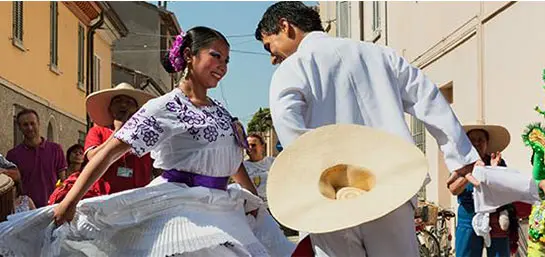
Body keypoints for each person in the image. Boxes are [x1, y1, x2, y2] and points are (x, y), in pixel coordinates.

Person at [0, 26, 294, 257]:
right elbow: (108, 153)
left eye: (227, 60)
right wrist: (69, 201)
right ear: (190, 56)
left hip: (224, 208)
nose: (223, 65)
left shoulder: (221, 113)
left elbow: (233, 164)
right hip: (186, 209)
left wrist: (253, 201)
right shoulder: (163, 107)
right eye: (215, 55)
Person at [255, 2, 480, 256]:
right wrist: (460, 157)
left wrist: (311, 180)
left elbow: (290, 129)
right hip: (391, 187)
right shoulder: (380, 54)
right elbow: (426, 97)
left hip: (330, 199)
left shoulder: (292, 68)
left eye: (269, 46)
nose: (273, 57)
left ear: (285, 26)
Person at [456, 124, 521, 257]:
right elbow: (453, 189)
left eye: (481, 140)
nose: (476, 143)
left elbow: (506, 190)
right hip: (468, 217)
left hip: (495, 218)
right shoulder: (459, 163)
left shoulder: (498, 162)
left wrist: (493, 170)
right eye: (472, 140)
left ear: (487, 143)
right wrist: (470, 172)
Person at [84, 83, 155, 193]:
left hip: (138, 200)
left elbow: (159, 167)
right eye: (118, 101)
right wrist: (118, 131)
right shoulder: (97, 131)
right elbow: (92, 157)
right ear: (110, 108)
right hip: (103, 199)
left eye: (128, 102)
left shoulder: (147, 135)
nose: (123, 105)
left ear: (137, 110)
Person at [6, 109, 67, 208]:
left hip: (53, 208)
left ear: (38, 124)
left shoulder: (56, 149)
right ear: (19, 127)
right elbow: (12, 187)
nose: (30, 128)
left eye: (32, 123)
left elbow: (62, 180)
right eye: (25, 125)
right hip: (28, 211)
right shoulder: (13, 155)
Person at [243, 133, 274, 204]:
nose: (250, 148)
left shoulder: (273, 162)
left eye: (253, 145)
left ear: (262, 146)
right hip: (254, 208)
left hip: (273, 205)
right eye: (248, 145)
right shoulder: (242, 167)